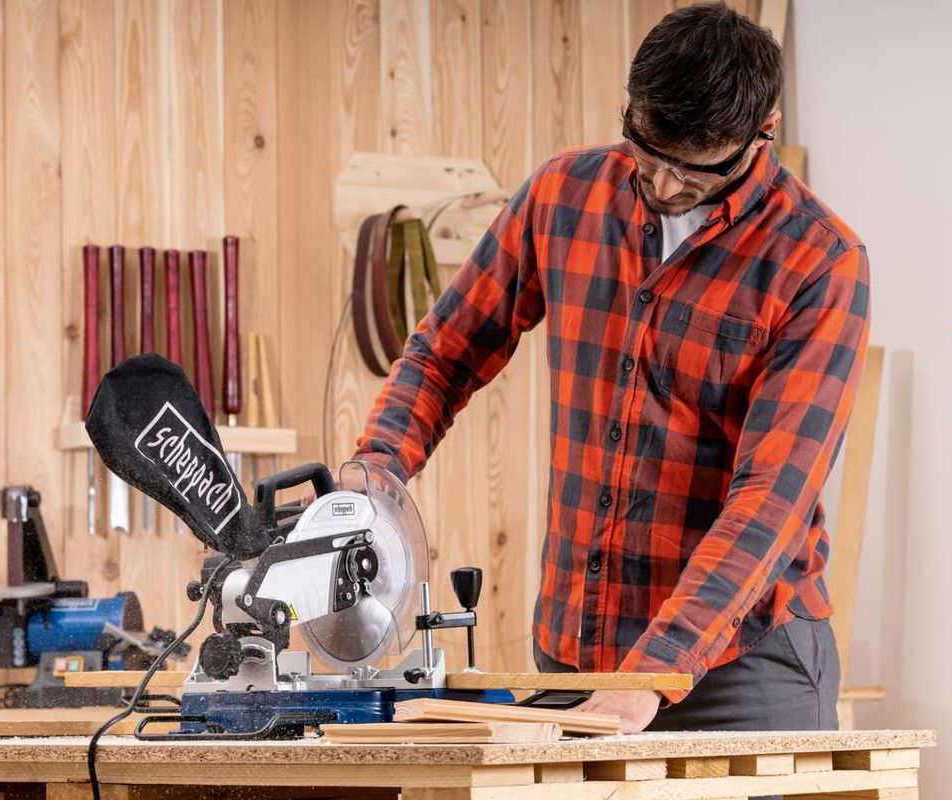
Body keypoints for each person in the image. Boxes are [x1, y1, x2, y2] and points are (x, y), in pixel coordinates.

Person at [351, 2, 868, 737]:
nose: (665, 186)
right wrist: (375, 474)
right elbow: (445, 354)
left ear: (765, 130)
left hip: (741, 667)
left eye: (696, 169)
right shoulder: (563, 194)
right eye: (649, 153)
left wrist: (655, 671)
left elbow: (771, 502)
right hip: (578, 648)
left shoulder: (819, 262)